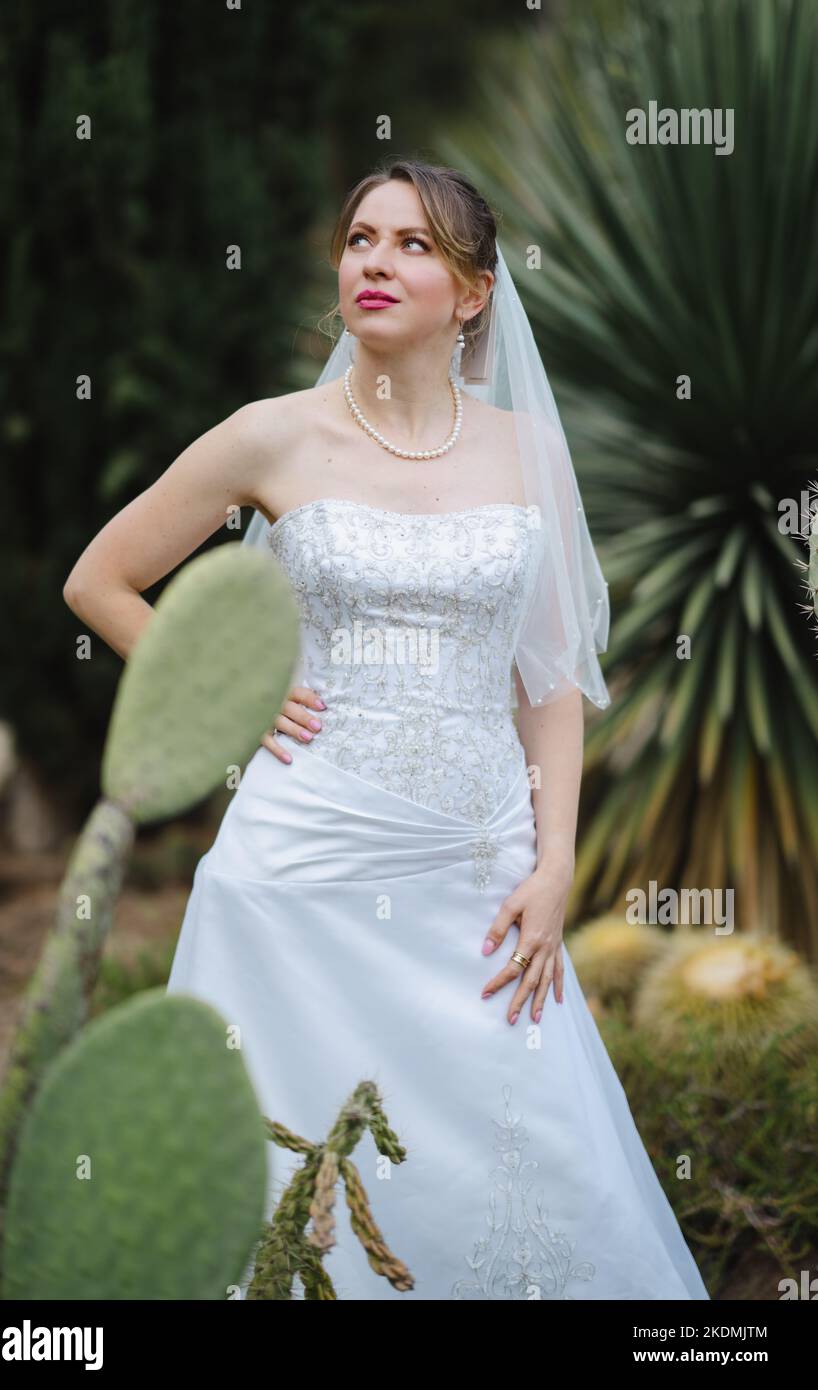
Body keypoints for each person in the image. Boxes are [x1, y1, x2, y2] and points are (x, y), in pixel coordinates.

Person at [63, 159, 710, 1300]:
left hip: (478, 863)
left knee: (523, 1140)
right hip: (300, 861)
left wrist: (556, 860)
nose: (375, 260)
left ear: (471, 293)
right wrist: (234, 688)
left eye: (414, 244)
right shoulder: (272, 438)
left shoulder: (527, 451)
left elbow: (549, 682)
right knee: (277, 1142)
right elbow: (100, 580)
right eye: (361, 237)